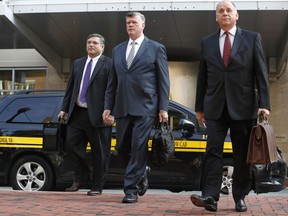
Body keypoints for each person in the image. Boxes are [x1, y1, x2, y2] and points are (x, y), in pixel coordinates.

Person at [190, 0, 270, 212]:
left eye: (229, 10)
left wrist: (265, 104)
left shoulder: (252, 39)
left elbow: (260, 74)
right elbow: (202, 77)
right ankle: (210, 196)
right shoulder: (207, 42)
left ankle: (239, 196)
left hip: (243, 107)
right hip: (214, 107)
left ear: (237, 15)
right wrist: (199, 107)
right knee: (212, 151)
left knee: (241, 154)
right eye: (220, 11)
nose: (224, 13)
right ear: (216, 17)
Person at [103, 12, 170, 203]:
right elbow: (112, 82)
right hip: (122, 107)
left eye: (134, 22)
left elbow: (163, 80)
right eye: (127, 23)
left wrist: (163, 108)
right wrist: (108, 106)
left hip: (146, 106)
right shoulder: (117, 50)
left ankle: (130, 190)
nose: (130, 25)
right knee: (122, 147)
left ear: (143, 25)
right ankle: (142, 171)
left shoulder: (156, 48)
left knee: (138, 146)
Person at [58, 33, 114, 196]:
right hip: (77, 113)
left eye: (95, 43)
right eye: (89, 42)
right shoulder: (78, 63)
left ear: (102, 47)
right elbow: (71, 88)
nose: (91, 45)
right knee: (71, 145)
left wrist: (111, 112)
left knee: (100, 153)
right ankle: (81, 177)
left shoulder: (109, 64)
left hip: (99, 115)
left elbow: (113, 90)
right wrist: (64, 108)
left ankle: (97, 186)